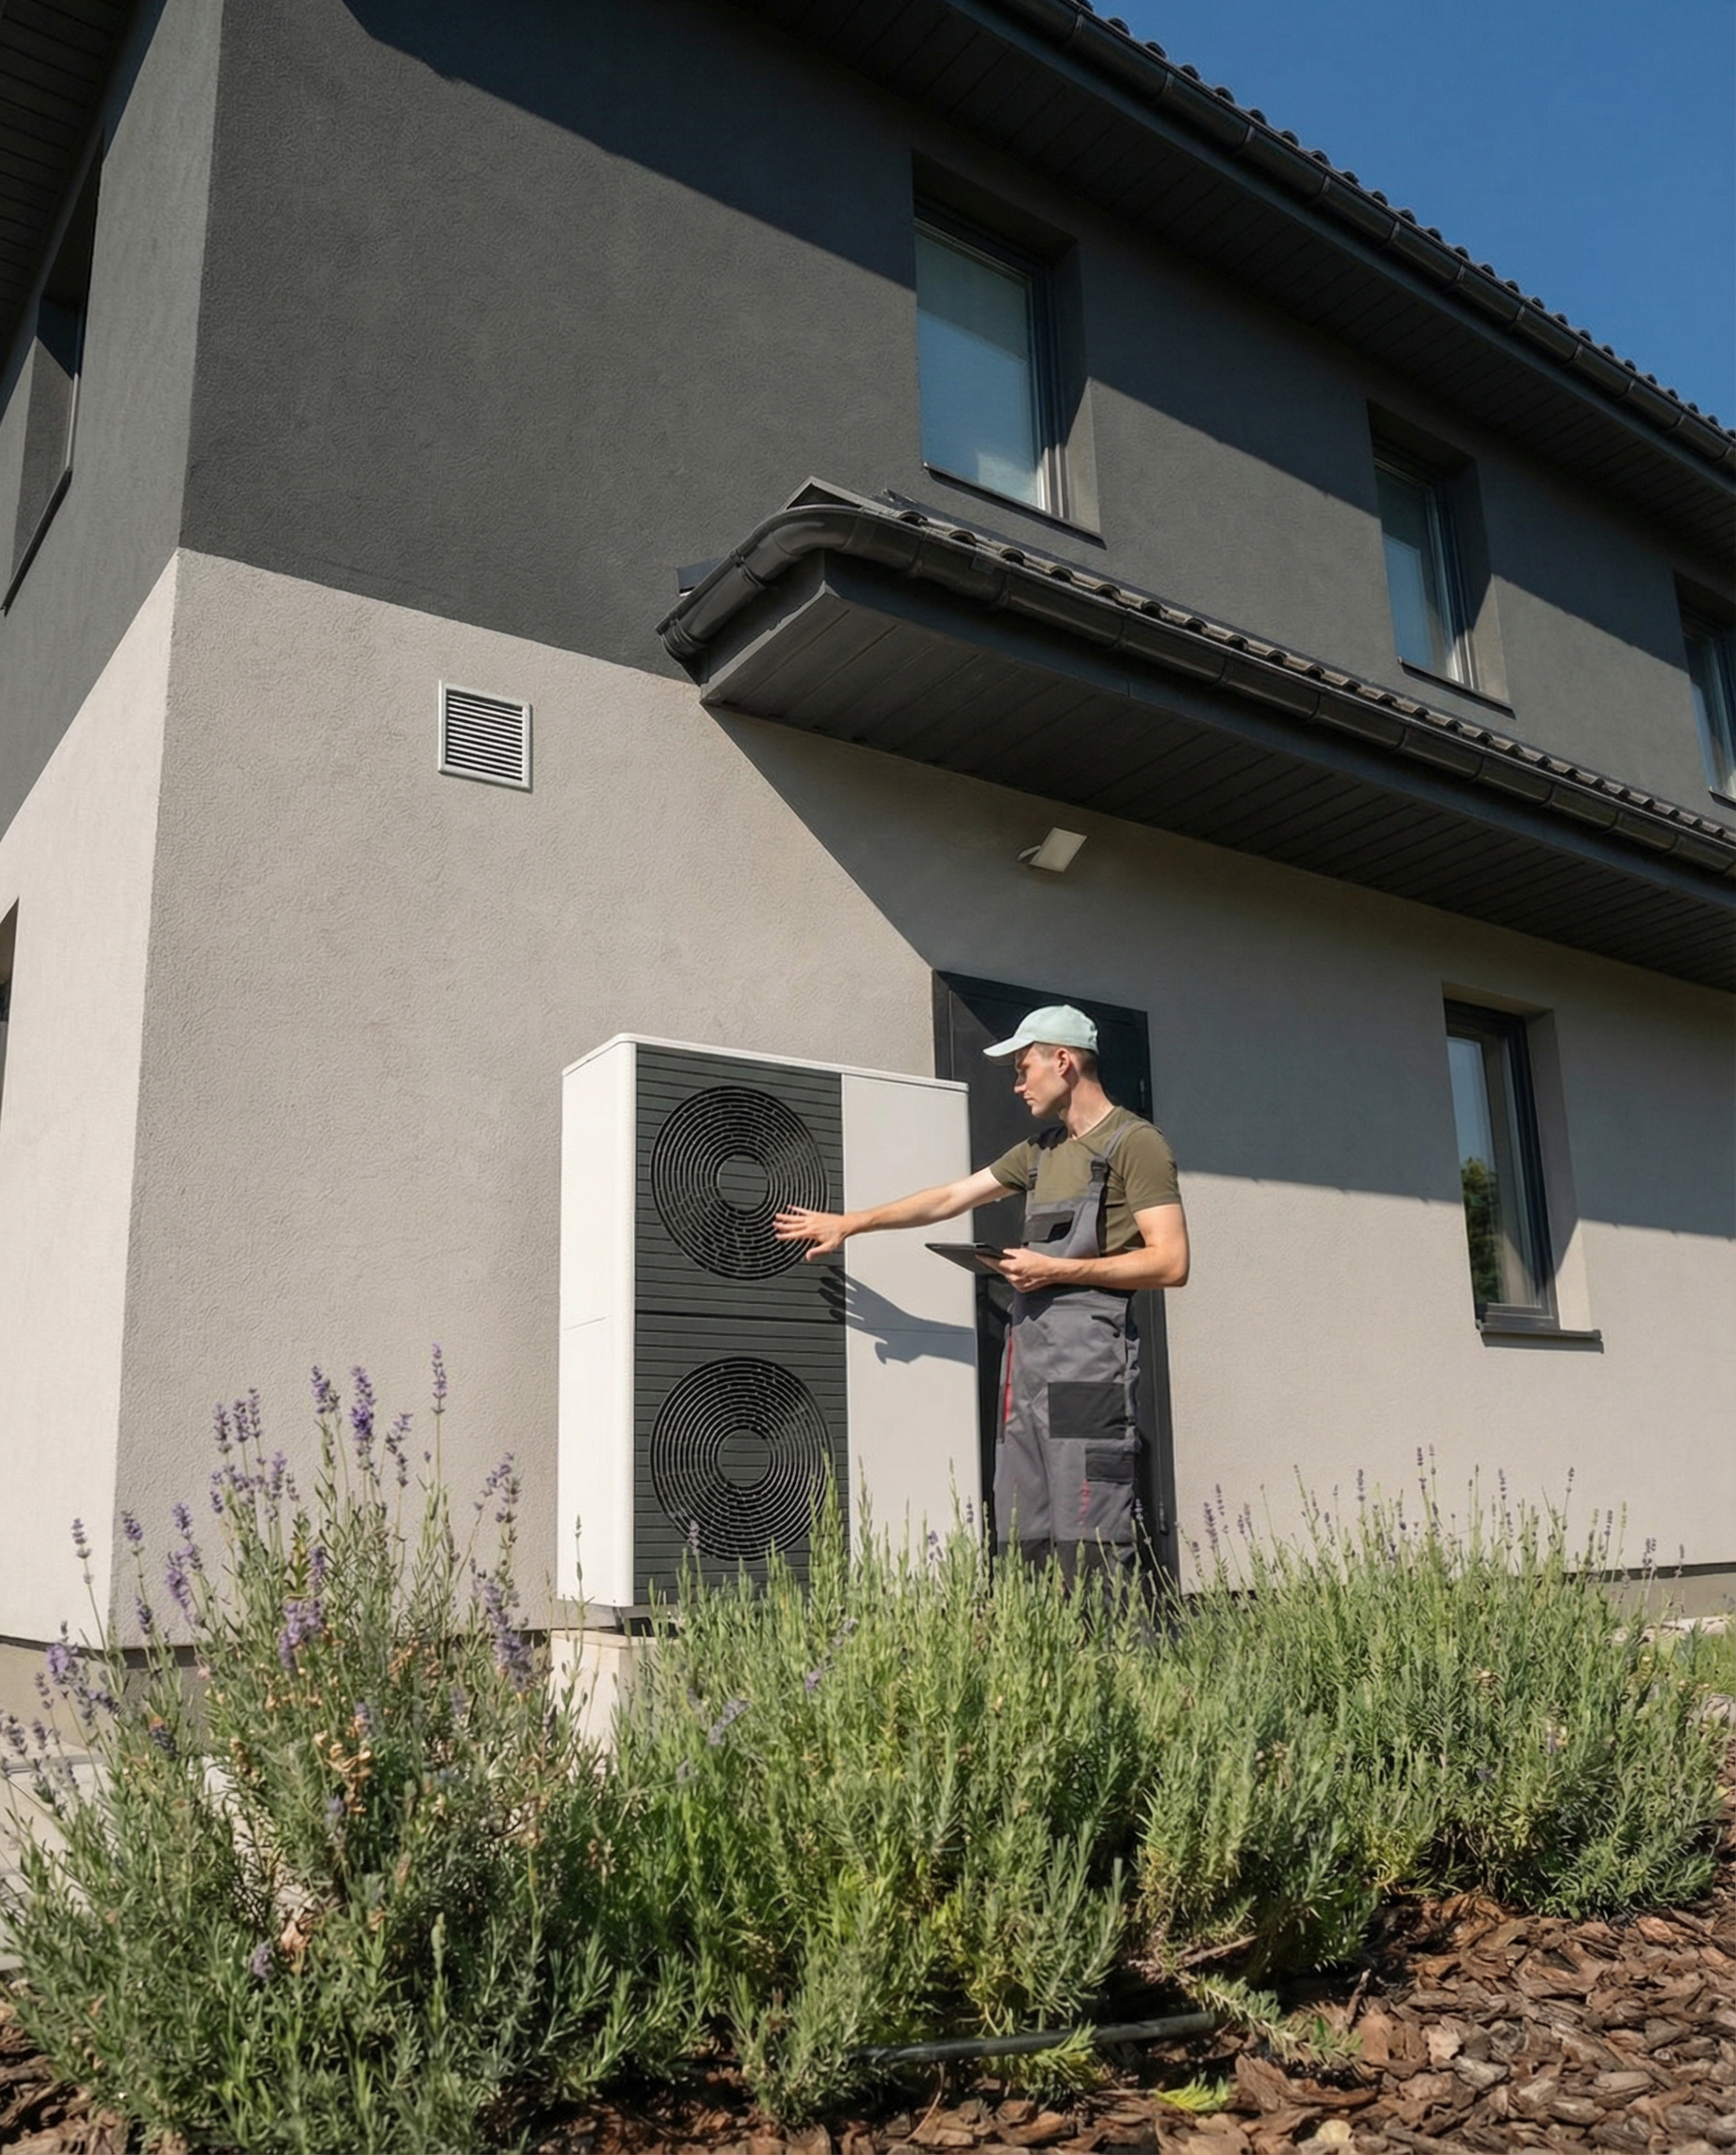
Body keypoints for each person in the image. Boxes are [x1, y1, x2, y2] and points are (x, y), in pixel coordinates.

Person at [773, 1005, 1188, 1577]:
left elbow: (1170, 1261)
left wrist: (1055, 1269)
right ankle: (1033, 1633)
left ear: (1062, 1062)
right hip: (1029, 1360)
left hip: (1089, 1363)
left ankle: (1109, 1638)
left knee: (1090, 1534)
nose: (1018, 1084)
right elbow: (949, 1198)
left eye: (1023, 1068)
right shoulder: (1039, 1152)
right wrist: (851, 1223)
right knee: (1023, 1530)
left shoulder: (1135, 1144)